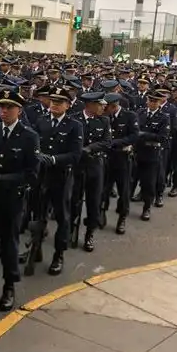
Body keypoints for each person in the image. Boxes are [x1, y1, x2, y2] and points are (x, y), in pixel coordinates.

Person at [0, 87, 40, 311]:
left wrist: (4, 179)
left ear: (19, 110)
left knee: (8, 244)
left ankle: (9, 285)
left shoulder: (29, 136)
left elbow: (31, 173)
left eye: (9, 107)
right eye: (1, 107)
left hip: (12, 198)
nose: (3, 111)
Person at [32, 86, 83, 275]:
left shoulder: (74, 125)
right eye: (53, 101)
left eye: (59, 102)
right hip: (41, 174)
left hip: (61, 175)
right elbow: (34, 143)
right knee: (38, 213)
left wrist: (54, 159)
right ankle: (34, 248)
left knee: (62, 216)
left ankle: (58, 254)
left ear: (68, 105)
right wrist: (38, 155)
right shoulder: (42, 121)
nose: (54, 105)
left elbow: (76, 154)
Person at [72, 92, 111, 251]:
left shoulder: (104, 120)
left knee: (93, 202)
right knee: (73, 199)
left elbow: (107, 142)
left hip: (95, 165)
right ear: (89, 105)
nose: (104, 107)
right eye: (100, 104)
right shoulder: (74, 118)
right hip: (76, 166)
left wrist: (90, 148)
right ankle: (69, 229)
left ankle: (89, 234)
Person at [101, 92, 140, 235]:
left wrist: (114, 143)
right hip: (107, 158)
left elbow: (134, 136)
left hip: (123, 159)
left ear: (114, 106)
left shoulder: (130, 116)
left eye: (107, 107)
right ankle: (102, 211)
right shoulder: (105, 116)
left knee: (124, 190)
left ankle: (122, 217)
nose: (104, 110)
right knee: (104, 188)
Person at [134, 93, 170, 221]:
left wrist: (143, 134)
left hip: (152, 153)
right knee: (133, 178)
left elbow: (162, 137)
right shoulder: (140, 112)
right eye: (151, 100)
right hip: (138, 151)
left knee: (149, 182)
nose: (152, 103)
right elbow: (134, 129)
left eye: (155, 101)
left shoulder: (164, 117)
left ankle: (147, 207)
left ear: (159, 103)